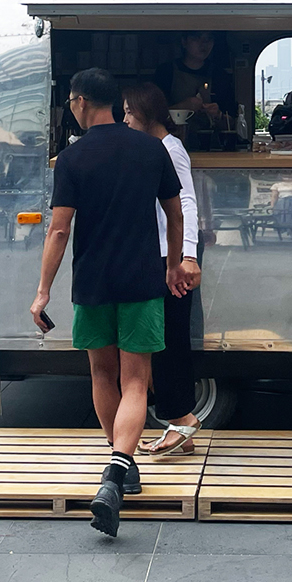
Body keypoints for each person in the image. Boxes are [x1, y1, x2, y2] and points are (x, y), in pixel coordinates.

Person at [30, 68, 191, 539]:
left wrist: (43, 291)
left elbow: (59, 230)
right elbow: (175, 211)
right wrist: (174, 265)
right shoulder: (151, 148)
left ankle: (117, 469)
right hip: (142, 278)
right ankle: (121, 469)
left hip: (93, 283)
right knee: (137, 381)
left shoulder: (73, 159)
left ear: (80, 102)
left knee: (102, 374)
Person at [122, 83, 204, 458]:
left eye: (128, 112)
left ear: (146, 114)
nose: (124, 119)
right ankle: (177, 423)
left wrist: (187, 256)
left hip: (169, 257)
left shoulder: (171, 149)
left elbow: (186, 201)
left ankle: (182, 419)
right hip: (159, 254)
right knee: (162, 339)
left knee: (169, 340)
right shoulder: (153, 148)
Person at [156, 31, 236, 128]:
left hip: (210, 139)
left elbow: (233, 121)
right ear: (184, 42)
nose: (203, 44)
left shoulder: (220, 75)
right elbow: (154, 116)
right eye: (196, 38)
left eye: (208, 39)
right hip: (173, 136)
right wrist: (183, 106)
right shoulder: (166, 72)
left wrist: (218, 114)